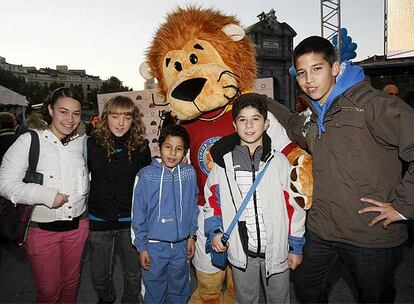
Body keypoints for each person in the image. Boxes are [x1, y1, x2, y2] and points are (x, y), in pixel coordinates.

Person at [268, 36, 414, 303]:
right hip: (323, 230)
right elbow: (292, 124)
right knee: (306, 287)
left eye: (317, 68)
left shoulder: (373, 105)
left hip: (370, 235)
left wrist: (403, 207)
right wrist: (262, 101)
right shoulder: (315, 113)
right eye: (301, 72)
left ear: (335, 68)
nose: (308, 79)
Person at [204, 93, 306, 304]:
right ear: (234, 124)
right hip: (242, 252)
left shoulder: (279, 162)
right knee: (246, 299)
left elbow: (294, 206)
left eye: (255, 119)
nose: (249, 126)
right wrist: (214, 231)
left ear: (266, 123)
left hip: (277, 250)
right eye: (243, 119)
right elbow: (213, 201)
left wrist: (295, 245)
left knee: (279, 299)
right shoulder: (224, 164)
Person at [0, 87, 89, 303]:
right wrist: (45, 194)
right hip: (41, 231)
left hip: (77, 228)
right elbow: (4, 184)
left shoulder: (82, 143)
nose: (70, 119)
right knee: (48, 292)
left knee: (71, 283)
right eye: (63, 111)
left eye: (76, 113)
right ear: (50, 110)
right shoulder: (29, 141)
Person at [87, 95, 151, 303]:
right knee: (98, 276)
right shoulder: (91, 144)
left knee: (132, 274)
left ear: (134, 120)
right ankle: (107, 299)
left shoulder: (141, 147)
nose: (121, 123)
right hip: (99, 221)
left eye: (127, 117)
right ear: (106, 118)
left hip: (129, 222)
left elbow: (146, 188)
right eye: (115, 116)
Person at [131, 124, 199, 304]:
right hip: (154, 248)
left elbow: (193, 207)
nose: (172, 153)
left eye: (179, 149)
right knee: (154, 292)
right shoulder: (145, 176)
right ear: (159, 147)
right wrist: (142, 247)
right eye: (168, 147)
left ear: (185, 152)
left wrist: (191, 236)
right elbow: (138, 214)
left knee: (180, 290)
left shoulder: (189, 174)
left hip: (181, 247)